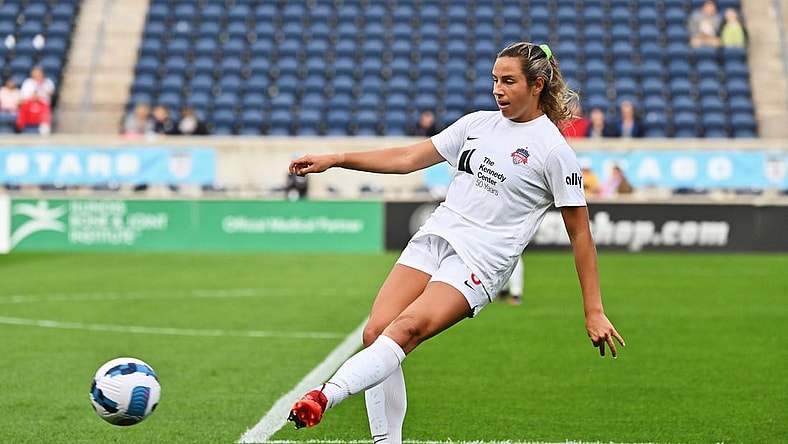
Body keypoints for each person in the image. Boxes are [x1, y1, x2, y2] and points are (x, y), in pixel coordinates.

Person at [285, 42, 625, 440]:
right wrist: (337, 158)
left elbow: (580, 234)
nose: (497, 89)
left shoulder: (554, 151)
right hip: (437, 235)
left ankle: (324, 396)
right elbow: (409, 157)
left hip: (481, 260)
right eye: (495, 79)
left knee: (407, 328)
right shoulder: (477, 124)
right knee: (376, 332)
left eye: (508, 81)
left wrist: (594, 309)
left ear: (537, 84)